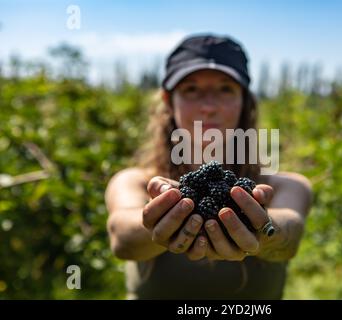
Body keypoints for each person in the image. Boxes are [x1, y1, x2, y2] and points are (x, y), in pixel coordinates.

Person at [105, 34, 313, 299]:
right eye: (191, 90)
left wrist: (264, 229)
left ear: (245, 101)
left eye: (225, 89)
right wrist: (159, 219)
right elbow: (122, 238)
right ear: (169, 102)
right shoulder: (133, 181)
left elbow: (290, 234)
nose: (208, 106)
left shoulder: (287, 184)